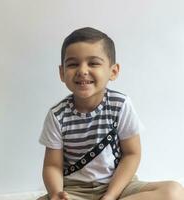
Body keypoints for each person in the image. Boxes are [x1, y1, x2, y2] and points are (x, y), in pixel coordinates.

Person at [37, 27, 184, 200]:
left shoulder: (120, 105)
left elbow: (132, 154)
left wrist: (111, 195)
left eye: (93, 63)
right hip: (75, 190)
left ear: (113, 71)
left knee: (173, 192)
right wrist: (56, 194)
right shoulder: (57, 115)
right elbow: (53, 166)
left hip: (118, 185)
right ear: (62, 73)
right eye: (73, 64)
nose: (82, 70)